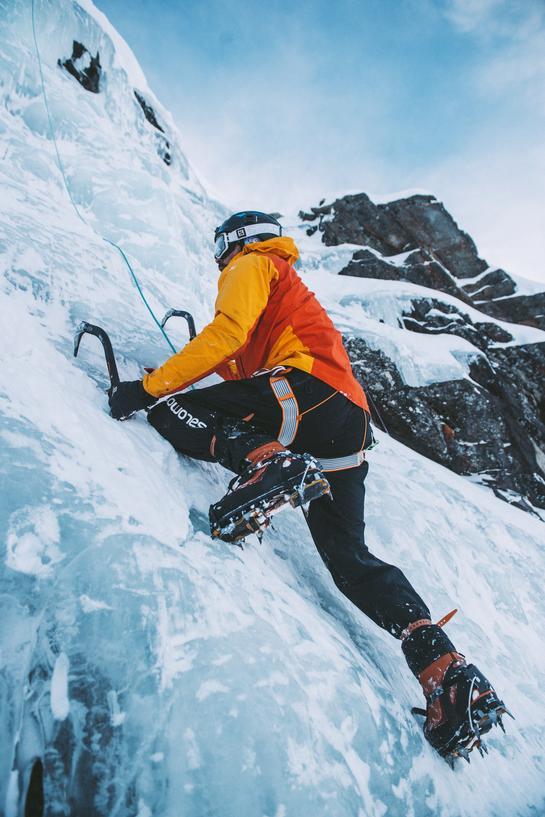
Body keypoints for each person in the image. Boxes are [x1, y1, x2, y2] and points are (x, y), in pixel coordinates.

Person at [108, 211, 508, 761]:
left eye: (221, 244)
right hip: (344, 423)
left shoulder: (254, 263)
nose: (218, 254)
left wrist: (148, 386)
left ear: (235, 241)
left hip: (306, 397)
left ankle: (268, 464)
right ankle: (448, 676)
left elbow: (227, 332)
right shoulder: (285, 292)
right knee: (350, 561)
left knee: (172, 407)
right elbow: (238, 365)